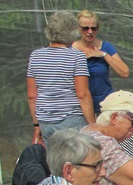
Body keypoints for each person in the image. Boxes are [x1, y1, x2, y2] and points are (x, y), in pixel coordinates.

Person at [27, 10, 95, 143]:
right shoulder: (77, 56)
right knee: (77, 160)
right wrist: (92, 125)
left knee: (55, 162)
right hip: (71, 119)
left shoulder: (35, 56)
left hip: (45, 121)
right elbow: (83, 95)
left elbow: (32, 95)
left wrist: (36, 125)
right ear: (72, 31)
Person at [72, 10, 130, 113]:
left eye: (93, 28)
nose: (90, 32)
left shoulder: (106, 47)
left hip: (105, 106)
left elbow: (124, 72)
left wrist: (104, 55)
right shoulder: (71, 49)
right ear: (78, 28)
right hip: (80, 108)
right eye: (85, 28)